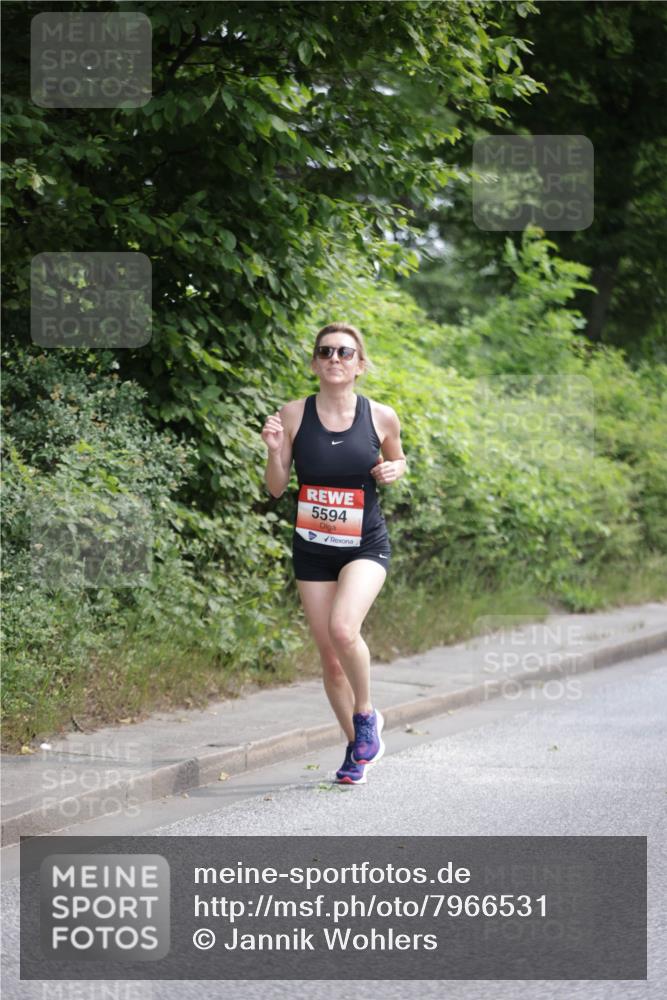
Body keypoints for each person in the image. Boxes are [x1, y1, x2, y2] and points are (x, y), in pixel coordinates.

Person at [261, 322, 407, 784]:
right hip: (313, 549)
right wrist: (273, 450)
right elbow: (276, 487)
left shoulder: (381, 416)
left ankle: (367, 716)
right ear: (314, 363)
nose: (335, 359)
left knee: (345, 629)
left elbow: (398, 458)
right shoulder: (292, 414)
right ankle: (356, 751)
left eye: (345, 352)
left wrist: (393, 469)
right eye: (325, 351)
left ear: (360, 365)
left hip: (365, 544)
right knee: (328, 656)